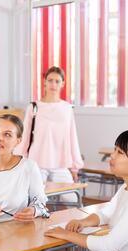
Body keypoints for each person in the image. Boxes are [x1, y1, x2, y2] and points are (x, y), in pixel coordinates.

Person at [16, 66, 83, 202]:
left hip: (61, 164)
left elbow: (72, 138)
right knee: (35, 202)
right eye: (50, 80)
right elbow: (25, 137)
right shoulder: (34, 107)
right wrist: (18, 161)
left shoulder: (67, 108)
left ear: (62, 84)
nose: (53, 84)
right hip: (37, 163)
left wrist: (75, 167)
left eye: (57, 81)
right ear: (44, 82)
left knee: (72, 200)